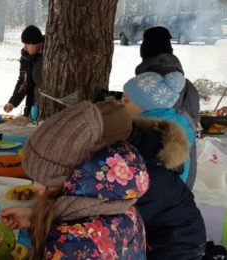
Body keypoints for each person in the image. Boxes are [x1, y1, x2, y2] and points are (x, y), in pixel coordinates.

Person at [0, 101, 148, 259]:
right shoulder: (120, 204)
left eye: (45, 180)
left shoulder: (72, 243)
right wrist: (39, 218)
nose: (36, 187)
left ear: (76, 178)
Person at [96, 101, 206, 260]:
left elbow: (119, 226)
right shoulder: (140, 147)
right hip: (164, 239)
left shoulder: (147, 175)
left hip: (179, 250)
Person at [136, 26, 200, 189]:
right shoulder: (188, 87)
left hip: (151, 177)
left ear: (144, 51)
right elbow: (193, 124)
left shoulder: (143, 87)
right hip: (185, 167)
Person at [123, 71, 196, 187]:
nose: (121, 105)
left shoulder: (152, 133)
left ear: (146, 105)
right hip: (175, 195)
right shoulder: (174, 121)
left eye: (126, 100)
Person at [3, 25, 44, 117]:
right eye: (24, 44)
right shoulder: (26, 57)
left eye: (27, 44)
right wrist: (13, 102)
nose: (25, 48)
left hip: (45, 101)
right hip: (33, 104)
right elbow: (23, 81)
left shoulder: (48, 56)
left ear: (37, 43)